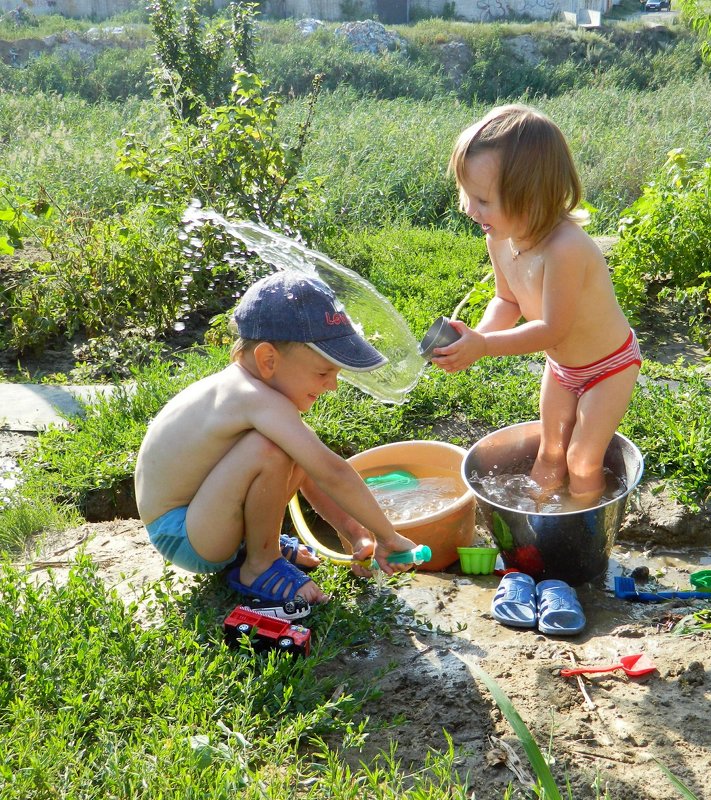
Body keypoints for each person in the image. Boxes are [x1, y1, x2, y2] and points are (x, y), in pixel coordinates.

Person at [135, 271, 419, 606]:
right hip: (183, 533)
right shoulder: (246, 395)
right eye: (324, 372)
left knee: (297, 444)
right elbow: (332, 471)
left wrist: (355, 531)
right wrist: (388, 537)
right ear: (268, 360)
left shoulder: (257, 397)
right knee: (268, 450)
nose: (333, 385)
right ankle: (260, 564)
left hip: (203, 518)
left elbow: (312, 470)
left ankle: (255, 544)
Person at [433, 104, 641, 503]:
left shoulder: (565, 249)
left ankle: (585, 528)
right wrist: (473, 340)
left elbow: (552, 329)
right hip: (562, 368)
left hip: (609, 367)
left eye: (483, 200)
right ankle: (539, 518)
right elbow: (505, 300)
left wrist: (486, 346)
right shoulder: (499, 238)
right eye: (466, 194)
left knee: (581, 459)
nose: (469, 209)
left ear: (530, 197)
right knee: (549, 454)